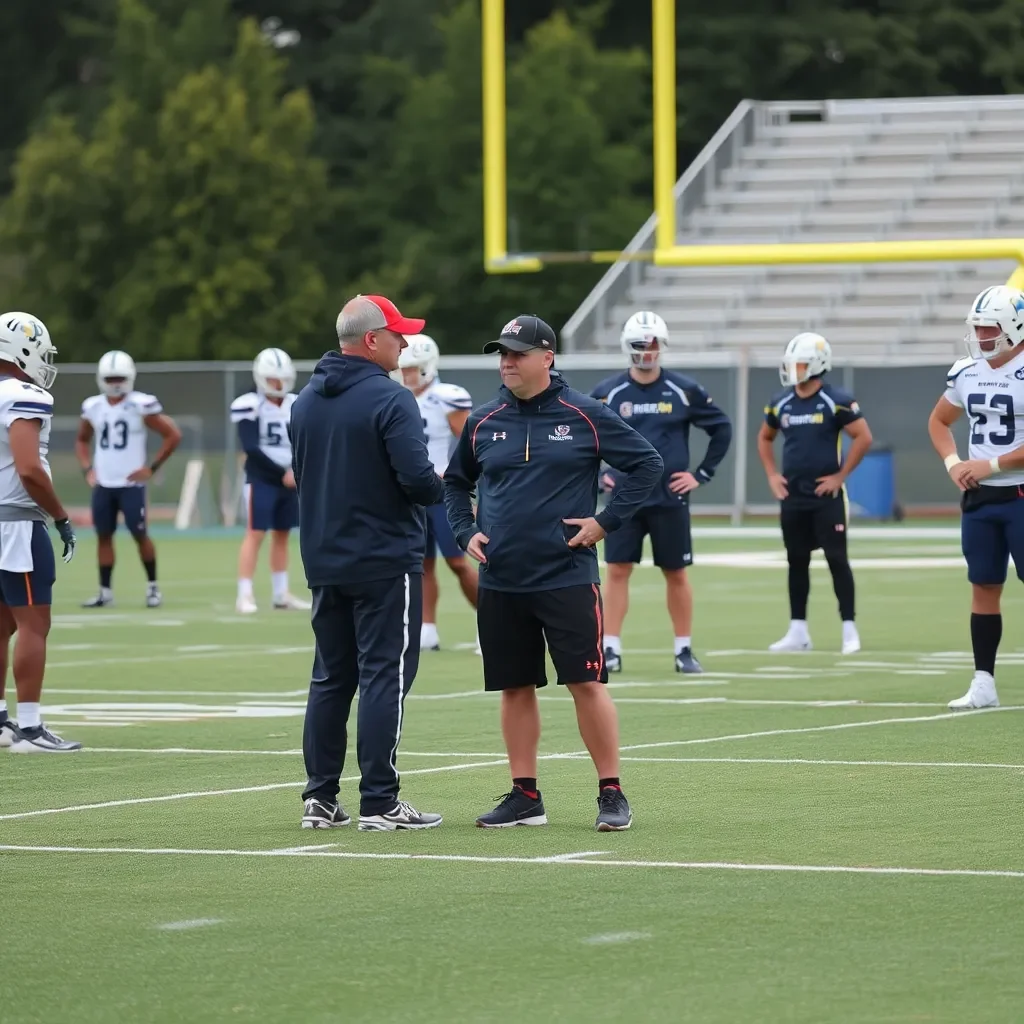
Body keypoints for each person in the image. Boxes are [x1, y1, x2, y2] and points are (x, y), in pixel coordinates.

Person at [444, 314, 663, 832]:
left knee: (586, 683)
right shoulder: (483, 419)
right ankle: (525, 795)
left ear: (548, 357)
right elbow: (455, 484)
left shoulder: (585, 414)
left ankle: (611, 792)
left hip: (566, 575)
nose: (507, 362)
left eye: (518, 353)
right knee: (515, 687)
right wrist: (463, 530)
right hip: (500, 580)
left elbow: (647, 464)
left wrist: (605, 521)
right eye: (502, 353)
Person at [291, 294, 444, 832]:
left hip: (325, 557)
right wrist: (439, 487)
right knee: (385, 675)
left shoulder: (304, 400)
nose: (406, 344)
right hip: (383, 557)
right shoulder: (391, 398)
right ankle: (381, 800)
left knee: (331, 678)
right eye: (398, 334)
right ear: (372, 340)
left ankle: (320, 797)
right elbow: (418, 480)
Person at [591, 311, 732, 674]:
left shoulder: (684, 389)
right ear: (627, 346)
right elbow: (582, 437)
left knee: (676, 572)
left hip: (669, 496)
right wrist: (599, 475)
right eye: (640, 344)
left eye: (652, 344)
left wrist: (701, 473)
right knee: (618, 570)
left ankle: (684, 649)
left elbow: (722, 428)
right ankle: (611, 648)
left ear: (662, 346)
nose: (646, 351)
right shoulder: (608, 392)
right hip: (623, 499)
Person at [928, 284, 1024, 710]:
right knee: (983, 584)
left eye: (989, 328)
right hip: (982, 500)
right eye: (979, 328)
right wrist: (954, 464)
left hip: (1020, 492)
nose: (982, 336)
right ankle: (983, 681)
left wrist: (994, 464)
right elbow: (938, 421)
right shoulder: (967, 370)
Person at [757, 332, 873, 655]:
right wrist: (771, 475)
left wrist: (840, 476)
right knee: (796, 560)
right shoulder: (780, 401)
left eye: (801, 363)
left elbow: (863, 437)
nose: (795, 369)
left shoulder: (836, 399)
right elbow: (764, 438)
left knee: (837, 559)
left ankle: (849, 628)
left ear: (818, 364)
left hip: (827, 498)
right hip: (793, 496)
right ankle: (798, 631)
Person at [0, 312, 80, 752]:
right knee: (33, 623)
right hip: (15, 523)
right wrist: (61, 516)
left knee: (0, 625)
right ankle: (29, 727)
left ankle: (1, 722)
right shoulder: (24, 395)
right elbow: (29, 467)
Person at [76, 350, 181, 608]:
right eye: (110, 378)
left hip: (131, 485)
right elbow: (81, 439)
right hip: (104, 484)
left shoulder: (141, 404)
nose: (115, 383)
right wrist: (87, 468)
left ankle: (153, 588)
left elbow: (172, 435)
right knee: (103, 535)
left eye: (119, 378)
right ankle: (105, 591)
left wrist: (152, 468)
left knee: (140, 533)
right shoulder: (93, 407)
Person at [396, 334, 477, 650]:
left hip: (442, 490)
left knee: (458, 562)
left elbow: (472, 445)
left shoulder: (447, 397)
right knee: (421, 564)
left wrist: (466, 489)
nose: (407, 375)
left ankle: (490, 620)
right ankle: (426, 629)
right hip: (410, 493)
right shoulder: (396, 397)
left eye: (413, 368)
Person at [231, 348, 310, 614]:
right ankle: (244, 594)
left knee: (282, 534)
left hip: (290, 478)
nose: (278, 384)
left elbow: (305, 442)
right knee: (255, 533)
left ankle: (281, 593)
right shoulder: (249, 404)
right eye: (273, 379)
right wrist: (283, 474)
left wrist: (296, 471)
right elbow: (251, 447)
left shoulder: (296, 403)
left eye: (281, 378)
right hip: (261, 479)